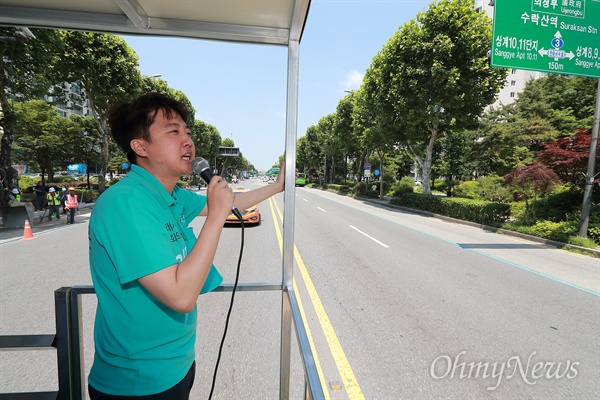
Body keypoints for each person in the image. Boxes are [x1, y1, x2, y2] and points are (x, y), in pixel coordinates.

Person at [87, 92, 285, 399]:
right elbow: (180, 296)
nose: (188, 141)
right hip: (138, 381)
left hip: (177, 365)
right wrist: (216, 217)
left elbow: (230, 203)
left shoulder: (172, 194)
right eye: (173, 131)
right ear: (140, 147)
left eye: (188, 132)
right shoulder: (126, 203)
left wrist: (276, 186)